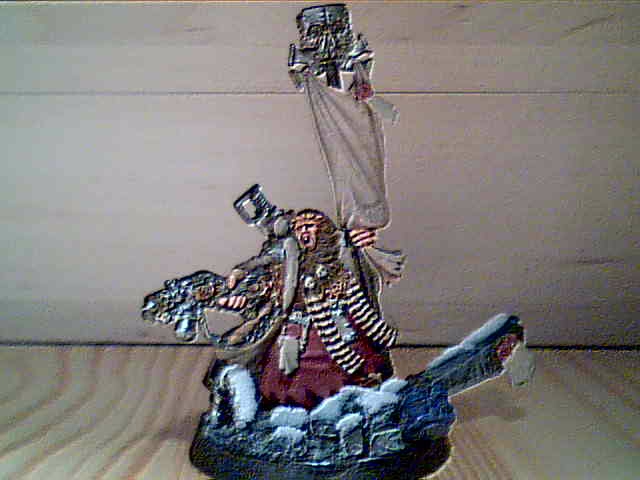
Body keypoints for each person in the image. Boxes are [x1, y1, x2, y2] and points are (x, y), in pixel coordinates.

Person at [215, 209, 398, 410]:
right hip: (297, 329)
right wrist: (241, 277)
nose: (304, 232)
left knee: (354, 367)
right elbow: (265, 268)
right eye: (299, 228)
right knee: (282, 375)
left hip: (338, 325)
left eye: (309, 226)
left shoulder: (340, 253)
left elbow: (361, 275)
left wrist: (357, 241)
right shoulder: (288, 259)